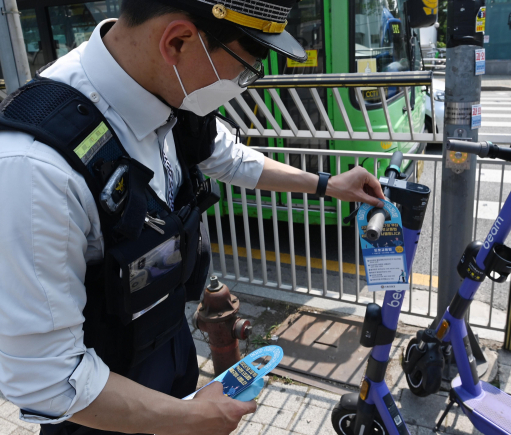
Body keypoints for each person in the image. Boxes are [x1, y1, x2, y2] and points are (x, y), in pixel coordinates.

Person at [0, 1, 385, 434]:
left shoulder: (167, 92)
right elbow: (47, 379)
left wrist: (328, 185)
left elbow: (230, 158)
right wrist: (189, 420)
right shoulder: (35, 167)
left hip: (170, 342)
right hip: (101, 406)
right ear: (178, 42)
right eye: (245, 67)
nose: (243, 85)